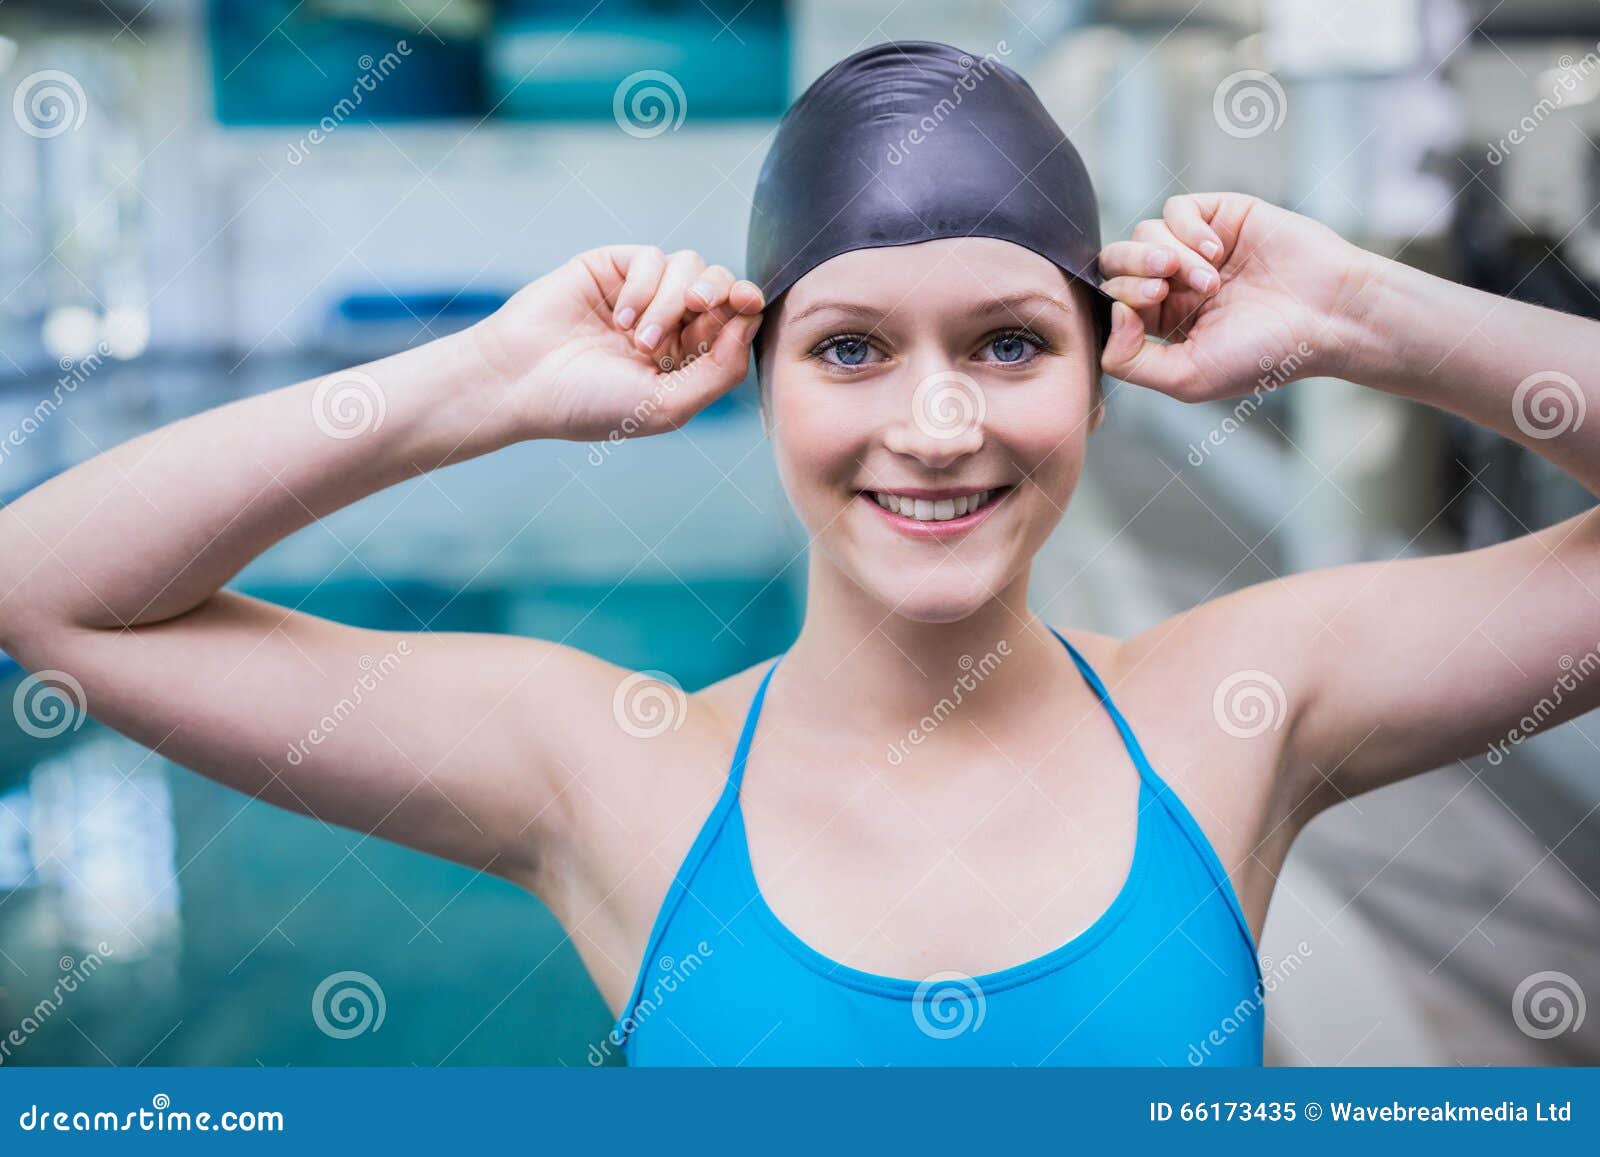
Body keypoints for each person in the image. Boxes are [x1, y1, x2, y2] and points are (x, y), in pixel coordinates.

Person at [2, 41, 1597, 1066]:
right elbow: (52, 589)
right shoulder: (611, 773)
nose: (937, 420)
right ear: (754, 380)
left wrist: (1373, 316)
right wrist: (476, 384)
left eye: (1010, 342)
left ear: (1101, 378)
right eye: (847, 350)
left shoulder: (1241, 705)